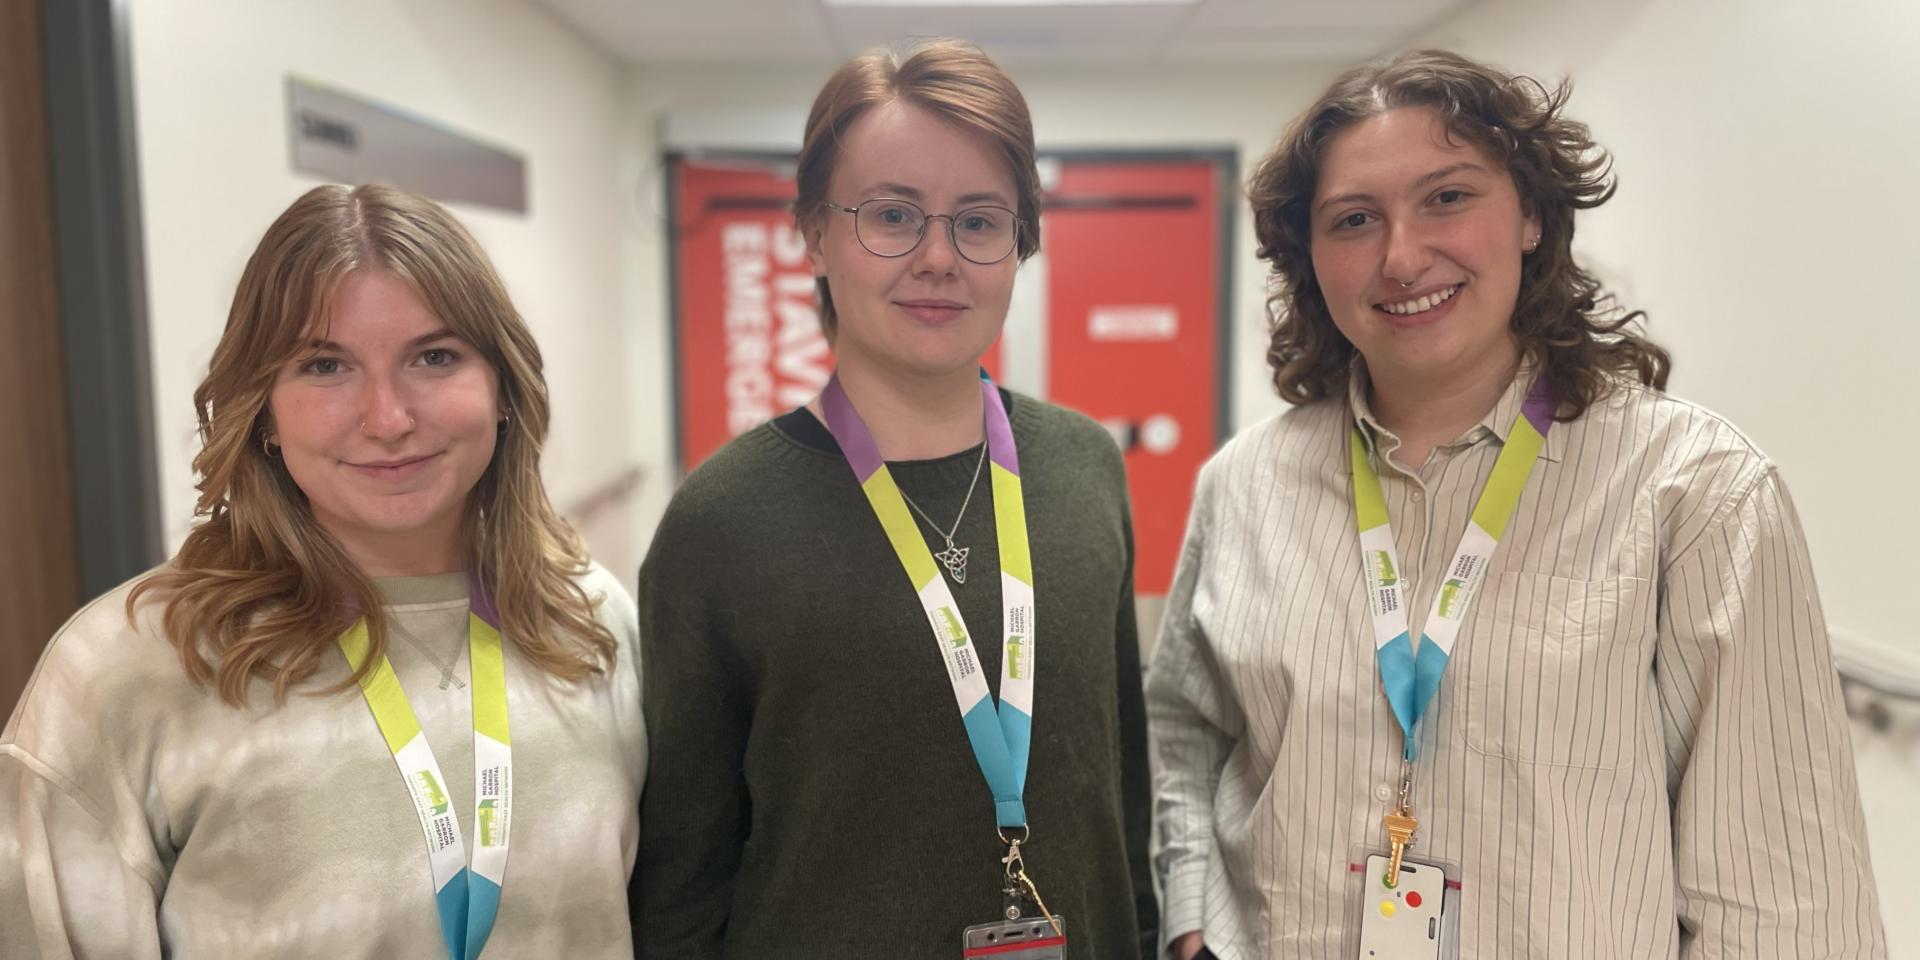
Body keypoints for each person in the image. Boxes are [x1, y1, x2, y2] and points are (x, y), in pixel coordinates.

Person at [1149, 49, 1885, 959]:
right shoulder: (1245, 484)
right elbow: (1183, 728)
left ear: (1532, 214)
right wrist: (1192, 924)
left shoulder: (1695, 494)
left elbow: (1786, 904)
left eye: (1448, 198)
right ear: (1311, 254)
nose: (1403, 256)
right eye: (1354, 220)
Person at [0, 184, 645, 959]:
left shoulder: (590, 622)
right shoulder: (129, 666)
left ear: (504, 388)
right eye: (325, 365)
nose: (388, 418)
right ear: (262, 409)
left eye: (434, 357)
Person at [631, 38, 1156, 960]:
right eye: (892, 215)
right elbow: (682, 871)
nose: (938, 258)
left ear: (1020, 243)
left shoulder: (1083, 467)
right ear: (814, 235)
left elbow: (1120, 778)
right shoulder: (720, 524)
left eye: (980, 222)